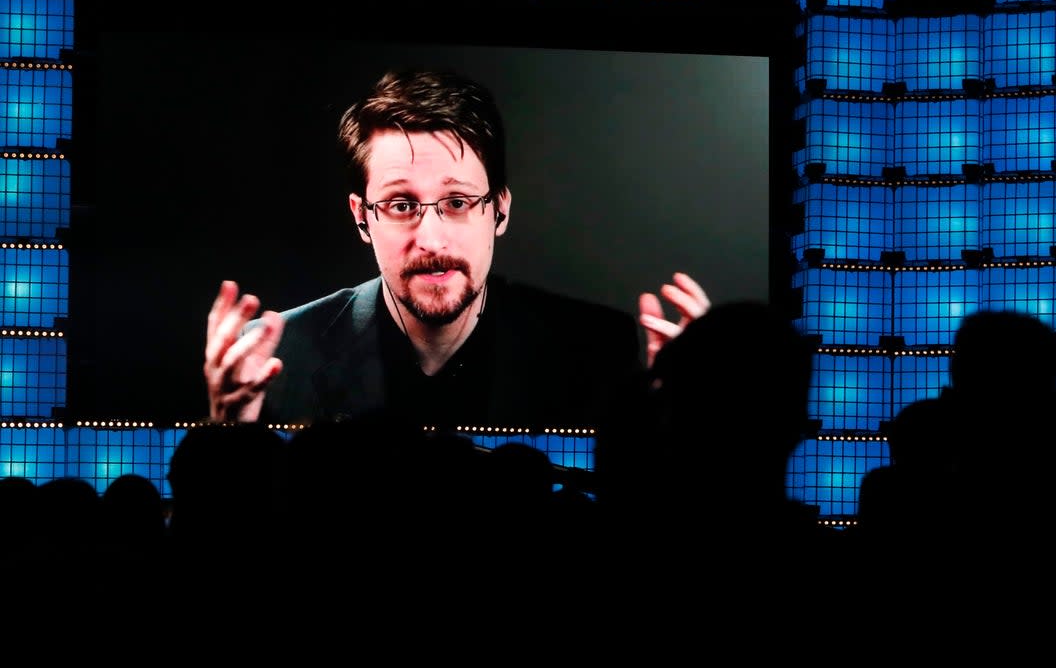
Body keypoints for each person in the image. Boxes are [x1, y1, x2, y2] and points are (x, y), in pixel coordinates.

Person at [202, 68, 711, 431]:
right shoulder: (273, 359)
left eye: (459, 202)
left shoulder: (600, 354)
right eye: (401, 204)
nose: (432, 238)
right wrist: (228, 439)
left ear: (500, 211)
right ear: (362, 217)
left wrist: (686, 429)